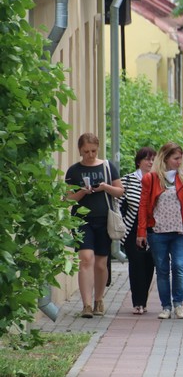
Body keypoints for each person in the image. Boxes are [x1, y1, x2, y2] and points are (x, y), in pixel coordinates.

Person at [65, 133, 124, 318]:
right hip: (81, 220)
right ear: (79, 150)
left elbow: (120, 191)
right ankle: (87, 305)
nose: (90, 155)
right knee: (86, 258)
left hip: (104, 219)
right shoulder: (74, 171)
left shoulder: (107, 167)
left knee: (100, 263)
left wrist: (105, 187)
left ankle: (99, 299)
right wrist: (82, 192)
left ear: (97, 148)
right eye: (85, 151)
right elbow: (67, 199)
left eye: (93, 151)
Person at [136, 143, 183, 319]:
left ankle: (179, 304)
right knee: (162, 270)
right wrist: (141, 232)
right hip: (157, 231)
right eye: (175, 158)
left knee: (179, 266)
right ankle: (166, 306)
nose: (179, 162)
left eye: (180, 159)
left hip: (178, 231)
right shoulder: (151, 178)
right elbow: (144, 205)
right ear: (166, 158)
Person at [120, 147, 157, 314]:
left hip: (153, 228)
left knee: (150, 264)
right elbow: (118, 204)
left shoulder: (159, 180)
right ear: (138, 161)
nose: (150, 162)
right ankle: (137, 302)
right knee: (136, 264)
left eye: (152, 159)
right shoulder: (127, 180)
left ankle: (144, 301)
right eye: (146, 159)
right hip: (132, 228)